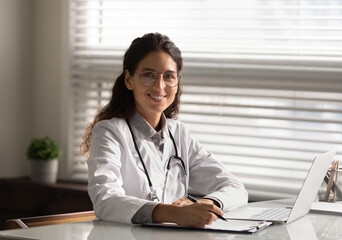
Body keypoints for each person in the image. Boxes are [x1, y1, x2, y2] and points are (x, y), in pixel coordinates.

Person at [81, 33, 248, 228]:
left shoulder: (179, 133)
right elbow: (106, 200)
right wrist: (172, 213)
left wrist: (204, 205)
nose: (159, 86)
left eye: (169, 76)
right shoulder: (109, 132)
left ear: (177, 83)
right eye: (148, 75)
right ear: (128, 80)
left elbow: (236, 188)